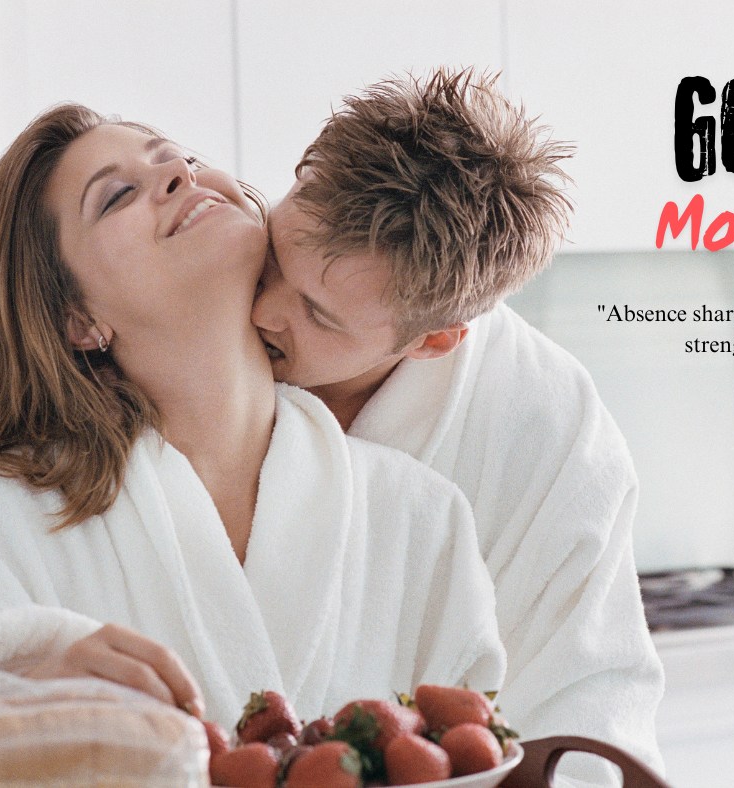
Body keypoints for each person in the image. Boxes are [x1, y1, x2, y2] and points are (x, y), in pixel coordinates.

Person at [0, 103, 506, 732]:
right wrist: (23, 698)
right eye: (119, 194)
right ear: (78, 319)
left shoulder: (420, 518)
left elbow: (474, 754)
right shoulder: (14, 518)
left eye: (181, 158)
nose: (181, 175)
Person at [251, 68, 666, 779]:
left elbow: (583, 703)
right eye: (274, 259)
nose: (260, 312)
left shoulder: (549, 429)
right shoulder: (201, 297)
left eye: (318, 314)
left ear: (435, 338)